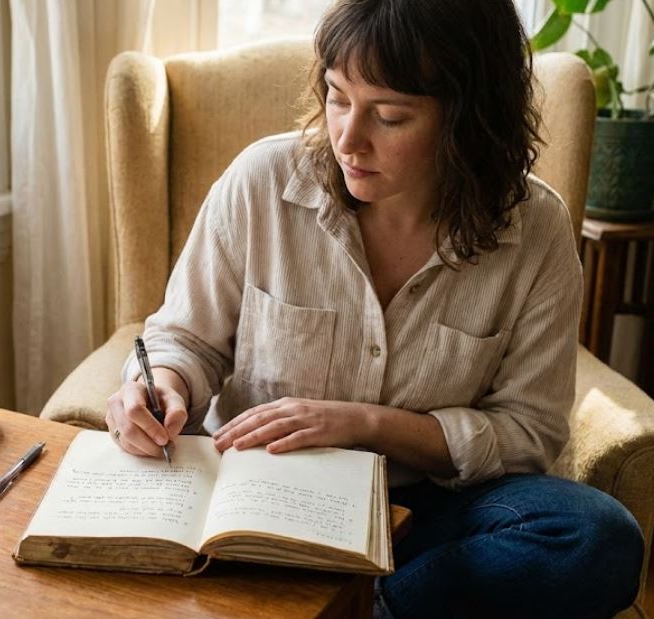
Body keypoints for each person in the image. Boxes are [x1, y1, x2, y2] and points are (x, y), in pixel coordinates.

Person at [103, 0, 645, 617]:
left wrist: (367, 423)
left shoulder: (536, 230)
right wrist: (159, 386)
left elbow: (529, 433)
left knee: (597, 539)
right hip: (265, 499)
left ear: (469, 120)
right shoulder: (260, 183)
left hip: (429, 513)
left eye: (389, 116)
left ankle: (365, 605)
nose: (348, 139)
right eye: (337, 97)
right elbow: (184, 340)